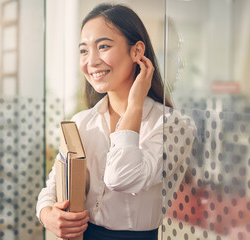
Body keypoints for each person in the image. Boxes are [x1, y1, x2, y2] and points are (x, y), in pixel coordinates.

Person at [36, 3, 195, 240]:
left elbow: (121, 178)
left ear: (136, 52)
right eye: (83, 50)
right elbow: (51, 188)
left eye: (103, 47)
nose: (91, 61)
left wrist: (135, 106)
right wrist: (47, 215)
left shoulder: (173, 126)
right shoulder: (82, 122)